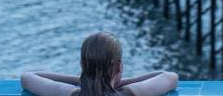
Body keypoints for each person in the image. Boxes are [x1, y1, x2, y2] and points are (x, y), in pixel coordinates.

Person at [21, 32, 178, 96]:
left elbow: (28, 77)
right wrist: (118, 83)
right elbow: (169, 77)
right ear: (119, 66)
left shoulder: (71, 93)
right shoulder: (129, 93)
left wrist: (83, 79)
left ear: (83, 64)